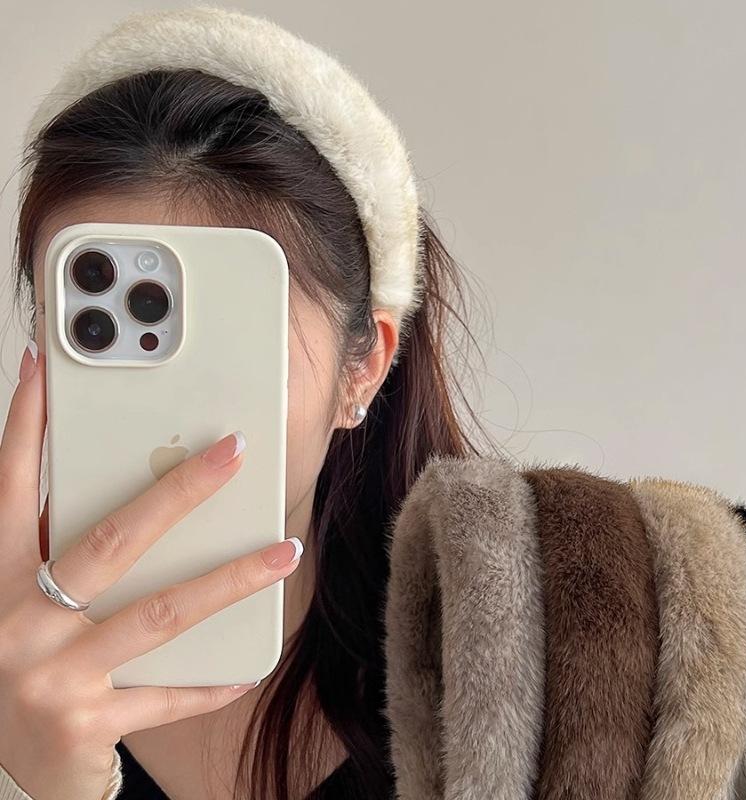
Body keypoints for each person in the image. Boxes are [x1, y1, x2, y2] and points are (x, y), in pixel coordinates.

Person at [0, 7, 499, 799]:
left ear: (363, 368)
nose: (172, 426)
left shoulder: (530, 670)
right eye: (95, 335)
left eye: (228, 348)